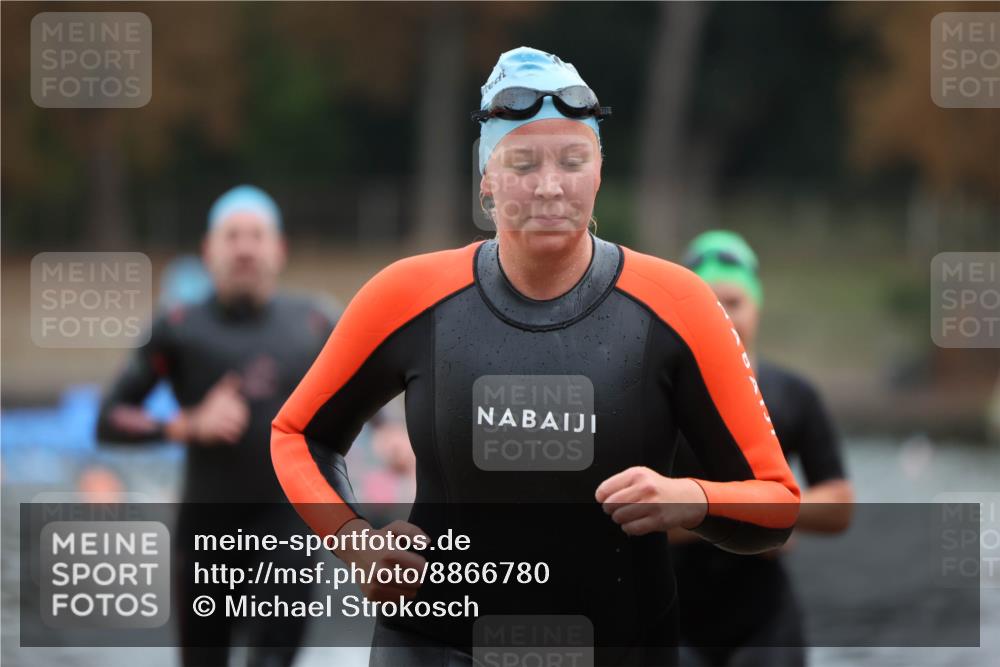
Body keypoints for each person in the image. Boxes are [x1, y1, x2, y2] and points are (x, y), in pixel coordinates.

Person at [271, 47, 800, 667]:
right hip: (437, 646)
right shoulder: (407, 296)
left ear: (599, 171)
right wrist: (354, 540)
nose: (550, 186)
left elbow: (777, 502)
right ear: (486, 178)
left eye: (573, 161)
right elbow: (297, 434)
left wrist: (694, 499)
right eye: (523, 163)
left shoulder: (678, 304)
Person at [96, 185, 338, 667]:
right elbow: (109, 418)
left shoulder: (315, 323)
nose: (244, 248)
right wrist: (185, 425)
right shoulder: (177, 327)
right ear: (209, 250)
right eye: (232, 236)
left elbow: (365, 391)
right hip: (206, 533)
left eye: (256, 236)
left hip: (287, 528)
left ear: (279, 249)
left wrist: (390, 433)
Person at [671, 230, 855, 667]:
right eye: (710, 304)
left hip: (766, 623)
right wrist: (745, 519)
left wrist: (776, 513)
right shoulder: (658, 395)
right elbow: (622, 509)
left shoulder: (793, 395)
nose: (723, 316)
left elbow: (839, 504)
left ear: (757, 305)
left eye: (733, 302)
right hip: (676, 619)